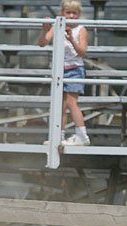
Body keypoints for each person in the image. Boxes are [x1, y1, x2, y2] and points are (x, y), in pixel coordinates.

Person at [38, 0, 90, 146]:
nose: (71, 16)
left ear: (79, 15)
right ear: (62, 13)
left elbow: (82, 52)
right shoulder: (57, 26)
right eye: (68, 12)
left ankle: (82, 135)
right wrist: (44, 28)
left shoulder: (81, 29)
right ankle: (58, 136)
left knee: (72, 103)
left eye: (75, 13)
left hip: (74, 69)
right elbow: (42, 43)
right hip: (60, 69)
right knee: (60, 105)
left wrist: (71, 39)